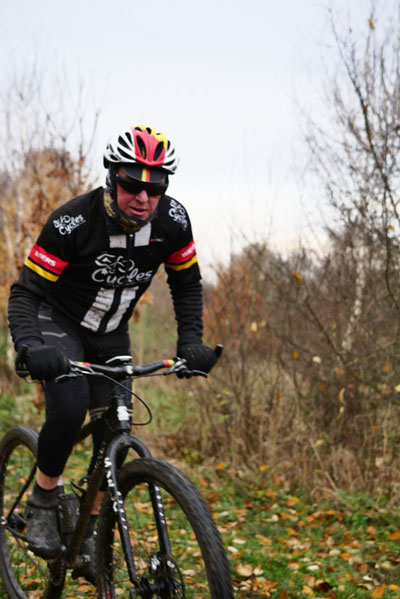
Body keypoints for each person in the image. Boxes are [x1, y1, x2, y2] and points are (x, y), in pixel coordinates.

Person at [7, 124, 217, 584]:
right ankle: (43, 498)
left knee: (116, 427)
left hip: (111, 333)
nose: (143, 197)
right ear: (111, 177)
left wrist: (190, 343)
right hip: (57, 322)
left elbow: (186, 283)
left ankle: (90, 527)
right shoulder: (72, 223)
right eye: (131, 184)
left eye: (155, 187)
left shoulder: (172, 221)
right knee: (69, 408)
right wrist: (30, 347)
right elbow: (25, 293)